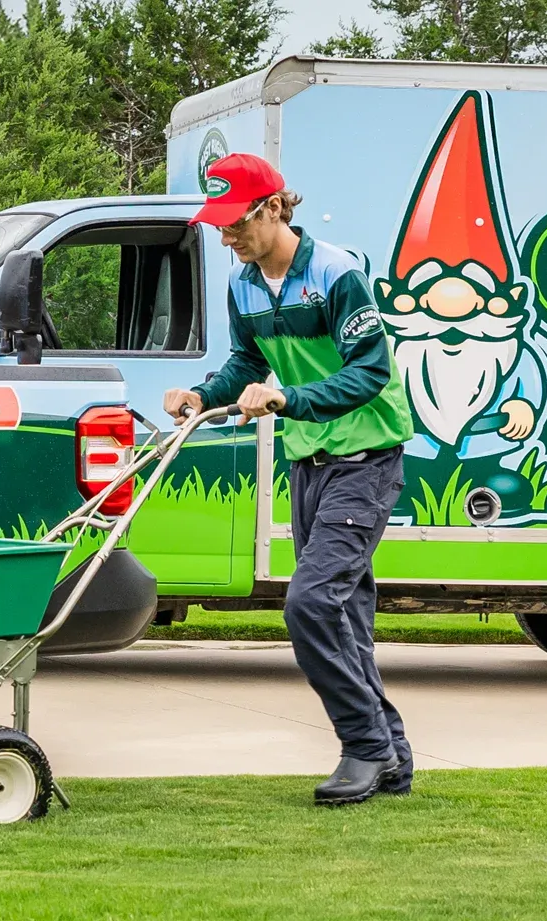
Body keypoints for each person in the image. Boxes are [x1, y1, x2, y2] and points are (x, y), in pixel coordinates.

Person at [164, 152, 415, 806]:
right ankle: (391, 758)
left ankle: (361, 746)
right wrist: (199, 394)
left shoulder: (336, 273)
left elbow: (368, 374)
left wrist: (286, 401)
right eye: (218, 225)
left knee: (309, 604)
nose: (226, 235)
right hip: (309, 458)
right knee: (346, 616)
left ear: (273, 207)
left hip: (366, 453)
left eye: (235, 221)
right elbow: (245, 360)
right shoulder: (244, 282)